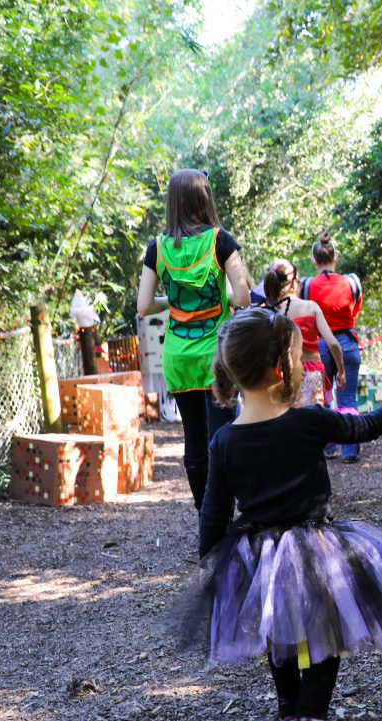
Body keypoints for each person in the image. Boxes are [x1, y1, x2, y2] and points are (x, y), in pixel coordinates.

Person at [180, 307, 382, 721]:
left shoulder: (224, 441)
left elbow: (213, 511)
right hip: (315, 548)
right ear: (276, 368)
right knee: (325, 631)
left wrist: (214, 567)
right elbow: (365, 426)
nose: (302, 366)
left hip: (258, 553)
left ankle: (289, 702)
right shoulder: (310, 421)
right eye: (298, 357)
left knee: (278, 625)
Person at [136, 168, 251, 510]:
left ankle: (206, 516)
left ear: (172, 203)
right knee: (223, 436)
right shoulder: (220, 240)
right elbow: (243, 297)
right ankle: (227, 513)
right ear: (205, 199)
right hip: (217, 355)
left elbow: (144, 306)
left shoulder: (157, 248)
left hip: (178, 355)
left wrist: (172, 303)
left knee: (194, 440)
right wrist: (221, 299)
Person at [304, 231, 364, 462]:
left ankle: (329, 447)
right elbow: (355, 310)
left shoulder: (307, 285)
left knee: (324, 397)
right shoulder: (351, 282)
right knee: (348, 398)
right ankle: (350, 450)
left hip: (319, 345)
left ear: (314, 260)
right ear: (335, 258)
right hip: (347, 342)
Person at [262, 260, 346, 406]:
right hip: (311, 376)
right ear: (294, 284)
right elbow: (333, 343)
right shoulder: (310, 307)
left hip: (282, 375)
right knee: (313, 424)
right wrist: (341, 371)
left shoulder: (268, 312)